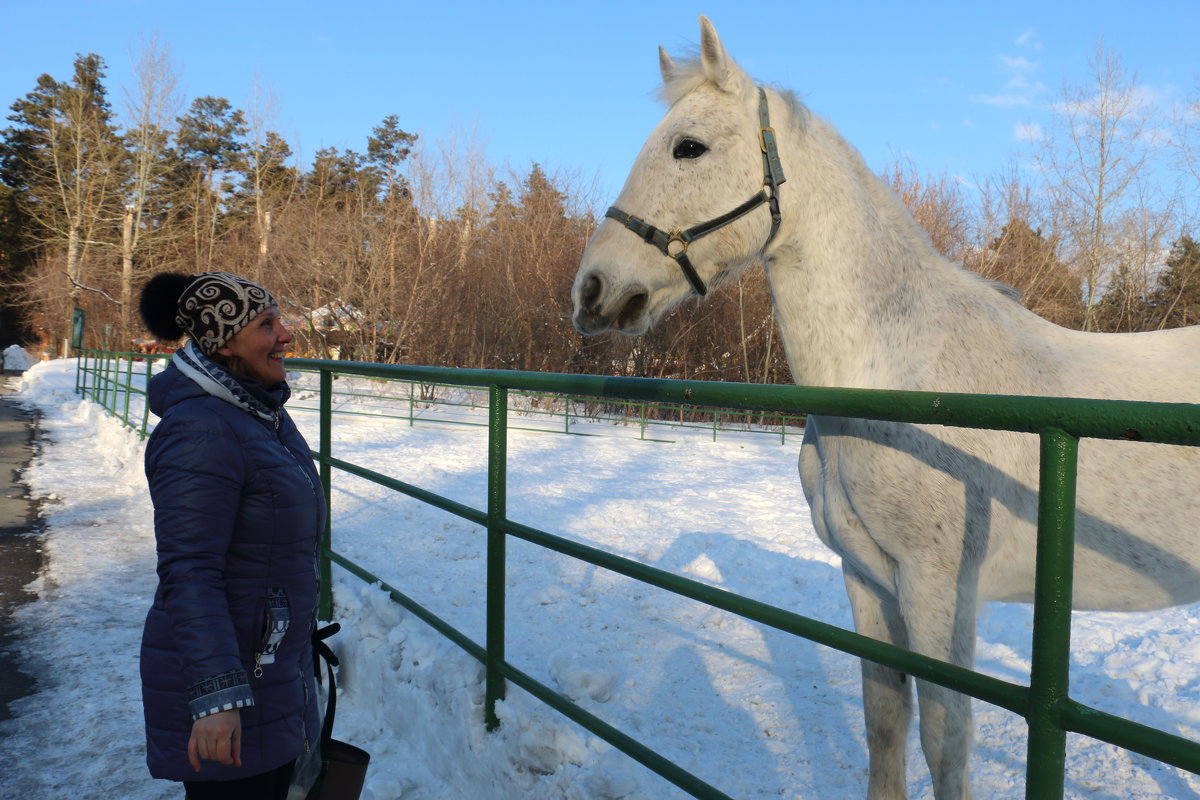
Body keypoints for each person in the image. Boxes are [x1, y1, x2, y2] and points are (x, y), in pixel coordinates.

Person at [137, 271, 325, 799]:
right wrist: (217, 700)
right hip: (234, 685)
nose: (286, 335)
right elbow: (189, 572)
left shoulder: (254, 410)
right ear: (223, 343)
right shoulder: (202, 428)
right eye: (267, 324)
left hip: (266, 668)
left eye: (280, 320)